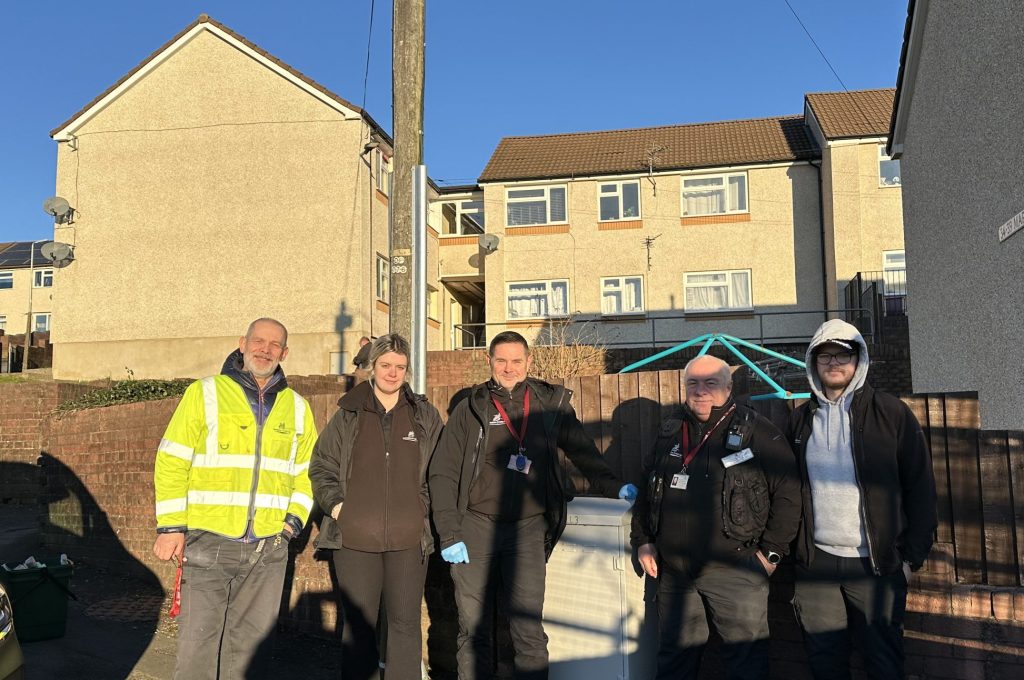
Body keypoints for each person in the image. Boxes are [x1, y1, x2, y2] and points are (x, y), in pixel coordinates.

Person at [428, 330, 637, 679]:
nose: (509, 368)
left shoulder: (549, 405)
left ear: (528, 362)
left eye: (516, 361)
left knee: (528, 629)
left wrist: (615, 488)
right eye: (501, 361)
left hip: (527, 528)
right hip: (476, 528)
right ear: (489, 362)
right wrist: (449, 533)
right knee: (473, 628)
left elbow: (584, 453)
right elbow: (443, 473)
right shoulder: (471, 408)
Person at [152, 318, 316, 680]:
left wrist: (289, 527)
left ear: (285, 353)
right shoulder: (205, 392)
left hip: (268, 548)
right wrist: (171, 527)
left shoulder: (298, 408)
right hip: (209, 540)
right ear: (242, 343)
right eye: (258, 341)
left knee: (252, 650)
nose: (265, 349)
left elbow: (306, 475)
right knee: (198, 646)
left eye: (275, 345)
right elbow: (172, 459)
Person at [631, 354, 801, 680]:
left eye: (711, 382)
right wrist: (643, 541)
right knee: (674, 663)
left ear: (728, 386)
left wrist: (771, 554)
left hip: (737, 571)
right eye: (693, 382)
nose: (701, 390)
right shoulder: (670, 432)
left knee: (746, 665)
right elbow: (647, 488)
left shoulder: (758, 433)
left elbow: (789, 494)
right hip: (676, 574)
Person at [787, 319, 936, 680]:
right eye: (824, 355)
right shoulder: (801, 420)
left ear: (859, 360)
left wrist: (910, 558)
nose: (834, 363)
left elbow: (921, 487)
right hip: (817, 563)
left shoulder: (891, 413)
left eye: (843, 354)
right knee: (824, 662)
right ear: (812, 363)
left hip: (875, 565)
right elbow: (789, 489)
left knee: (883, 661)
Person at [309, 334, 442, 679]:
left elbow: (438, 471)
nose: (393, 373)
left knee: (404, 624)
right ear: (373, 367)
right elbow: (321, 466)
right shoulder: (348, 413)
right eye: (386, 365)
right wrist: (339, 510)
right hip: (354, 542)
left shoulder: (423, 415)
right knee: (360, 628)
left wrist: (421, 511)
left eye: (400, 367)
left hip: (409, 542)